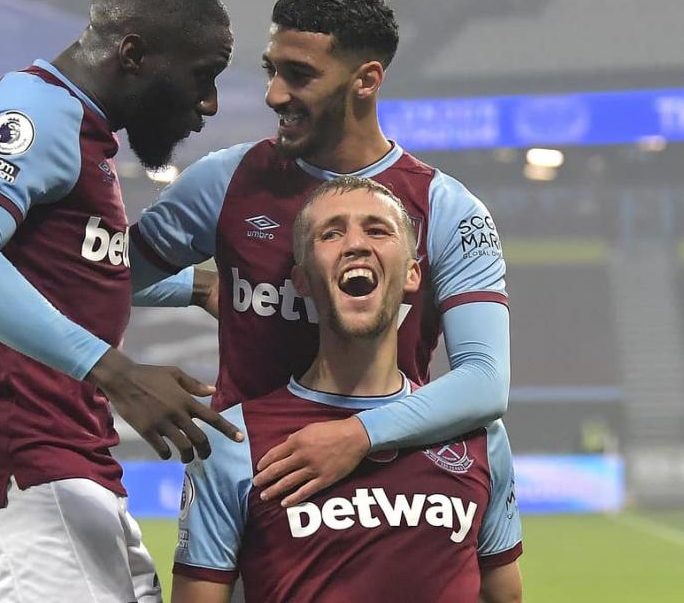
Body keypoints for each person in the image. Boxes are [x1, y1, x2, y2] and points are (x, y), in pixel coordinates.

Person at [0, 0, 510, 511]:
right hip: (247, 491)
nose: (273, 95)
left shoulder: (448, 208)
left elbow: (485, 380)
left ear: (367, 81)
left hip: (392, 490)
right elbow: (93, 274)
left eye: (298, 75)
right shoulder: (225, 181)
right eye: (270, 70)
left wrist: (355, 436)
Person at [0, 0, 241, 601]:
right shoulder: (33, 108)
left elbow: (66, 271)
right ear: (134, 53)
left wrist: (201, 286)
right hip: (16, 458)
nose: (209, 104)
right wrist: (119, 373)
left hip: (67, 454)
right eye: (202, 75)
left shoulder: (82, 132)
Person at [172, 177, 523, 602]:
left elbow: (504, 596)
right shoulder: (233, 442)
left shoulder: (479, 436)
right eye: (332, 233)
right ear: (301, 281)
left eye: (377, 230)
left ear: (413, 274)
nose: (355, 244)